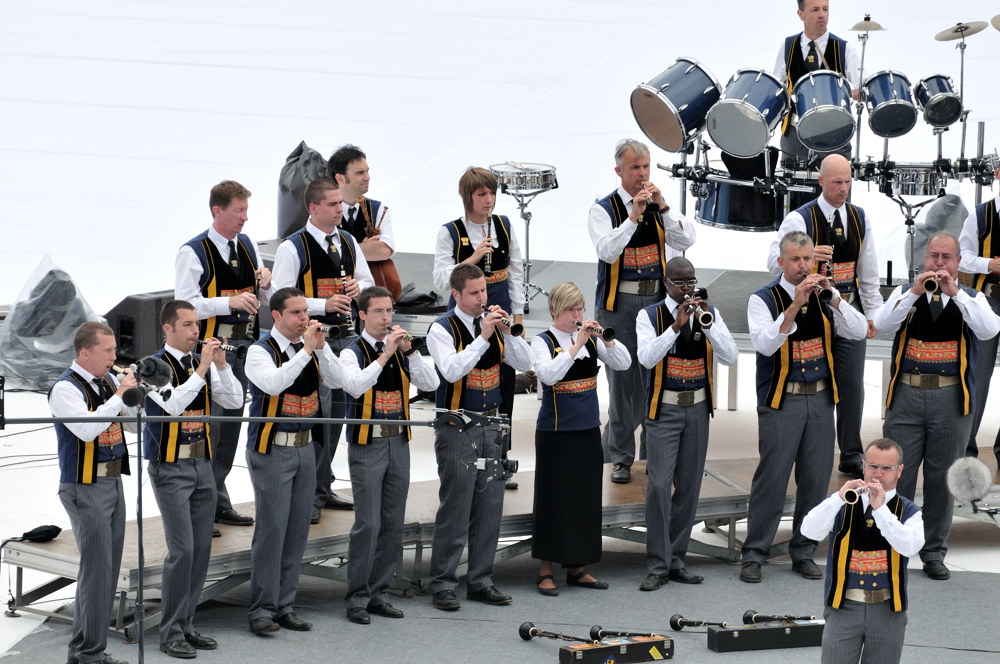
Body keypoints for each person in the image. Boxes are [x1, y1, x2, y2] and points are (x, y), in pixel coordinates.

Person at [741, 231, 868, 583]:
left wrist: (838, 300)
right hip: (783, 400)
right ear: (781, 262)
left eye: (807, 259)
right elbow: (764, 344)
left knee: (814, 479)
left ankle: (804, 550)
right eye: (795, 260)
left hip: (821, 399)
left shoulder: (827, 295)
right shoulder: (762, 299)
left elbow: (858, 332)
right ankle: (754, 553)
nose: (803, 266)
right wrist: (794, 304)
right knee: (773, 478)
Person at [874, 232, 1000, 580]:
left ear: (959, 263)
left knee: (943, 478)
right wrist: (915, 291)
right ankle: (893, 547)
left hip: (951, 398)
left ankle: (933, 551)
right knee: (896, 475)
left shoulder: (971, 298)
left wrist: (955, 293)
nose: (939, 263)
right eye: (933, 256)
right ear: (923, 258)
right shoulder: (905, 293)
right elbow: (882, 325)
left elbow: (989, 330)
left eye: (947, 257)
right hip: (907, 397)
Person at [425, 264, 533, 611]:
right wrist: (483, 336)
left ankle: (481, 579)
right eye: (474, 293)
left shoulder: (494, 326)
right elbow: (452, 370)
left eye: (484, 291)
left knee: (490, 506)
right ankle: (442, 581)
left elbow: (525, 362)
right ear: (456, 294)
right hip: (458, 426)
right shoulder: (441, 329)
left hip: (493, 423)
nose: (482, 298)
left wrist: (508, 333)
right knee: (456, 505)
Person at [588, 138, 696, 484]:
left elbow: (685, 241)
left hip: (655, 305)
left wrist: (663, 207)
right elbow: (607, 251)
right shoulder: (603, 209)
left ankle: (653, 454)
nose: (642, 174)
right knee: (622, 387)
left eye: (646, 166)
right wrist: (633, 215)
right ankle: (620, 458)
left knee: (655, 382)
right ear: (619, 171)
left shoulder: (657, 207)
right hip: (619, 306)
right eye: (635, 167)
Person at [767, 154, 882, 479]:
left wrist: (870, 312)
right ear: (821, 181)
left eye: (847, 181)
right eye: (837, 182)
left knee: (852, 386)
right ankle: (802, 451)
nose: (843, 188)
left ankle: (851, 454)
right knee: (810, 382)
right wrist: (805, 258)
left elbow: (868, 269)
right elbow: (771, 263)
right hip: (811, 313)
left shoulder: (860, 218)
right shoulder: (799, 219)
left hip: (845, 308)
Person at [243, 287, 347, 634]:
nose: (304, 318)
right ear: (276, 316)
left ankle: (285, 605)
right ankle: (261, 608)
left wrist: (323, 350)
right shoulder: (260, 351)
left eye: (305, 311)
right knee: (272, 529)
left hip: (306, 448)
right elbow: (274, 384)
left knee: (298, 529)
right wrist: (305, 350)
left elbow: (338, 381)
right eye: (296, 313)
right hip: (273, 449)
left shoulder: (312, 348)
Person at [142, 301, 243, 658]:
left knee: (201, 549)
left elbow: (232, 401)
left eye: (197, 325)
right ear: (167, 329)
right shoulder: (151, 366)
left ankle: (186, 624)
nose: (195, 331)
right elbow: (171, 405)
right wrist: (202, 368)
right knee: (182, 549)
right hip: (170, 466)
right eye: (187, 325)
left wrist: (221, 365)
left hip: (202, 463)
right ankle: (169, 631)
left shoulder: (199, 364)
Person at [272, 177, 376, 520]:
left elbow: (370, 282)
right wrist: (322, 304)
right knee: (318, 415)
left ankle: (323, 484)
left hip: (348, 339)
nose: (339, 209)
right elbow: (281, 297)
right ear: (313, 208)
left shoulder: (347, 240)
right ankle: (310, 494)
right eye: (332, 204)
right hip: (315, 343)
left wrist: (358, 287)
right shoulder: (293, 247)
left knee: (340, 416)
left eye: (339, 203)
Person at [636, 258, 738, 591]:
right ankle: (657, 563)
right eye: (680, 283)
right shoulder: (648, 316)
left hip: (696, 410)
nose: (687, 289)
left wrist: (707, 325)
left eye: (691, 282)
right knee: (659, 486)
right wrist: (675, 327)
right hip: (663, 411)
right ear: (665, 283)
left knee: (690, 487)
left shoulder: (710, 312)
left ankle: (677, 559)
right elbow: (647, 358)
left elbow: (731, 356)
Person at [175, 180, 272, 529]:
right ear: (217, 211)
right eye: (238, 211)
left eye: (246, 210)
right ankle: (203, 503)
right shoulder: (193, 251)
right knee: (209, 426)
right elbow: (184, 306)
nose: (245, 218)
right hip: (214, 350)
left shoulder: (246, 244)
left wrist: (265, 279)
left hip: (245, 345)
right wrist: (226, 302)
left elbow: (263, 290)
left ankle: (217, 498)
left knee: (230, 425)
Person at [340, 286, 439, 624]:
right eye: (379, 312)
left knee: (393, 521)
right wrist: (384, 355)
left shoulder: (401, 350)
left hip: (398, 441)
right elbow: (354, 386)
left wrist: (410, 352)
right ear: (362, 315)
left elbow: (431, 383)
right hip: (367, 443)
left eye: (389, 311)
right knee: (368, 522)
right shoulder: (352, 352)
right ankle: (357, 596)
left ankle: (379, 591)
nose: (386, 318)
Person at [530, 282, 631, 596]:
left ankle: (577, 567)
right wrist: (576, 344)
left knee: (585, 499)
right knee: (553, 498)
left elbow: (625, 363)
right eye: (571, 310)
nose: (577, 315)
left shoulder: (592, 340)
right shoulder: (542, 341)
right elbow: (548, 375)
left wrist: (606, 341)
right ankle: (546, 570)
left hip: (587, 430)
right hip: (556, 433)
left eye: (580, 309)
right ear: (555, 311)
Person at [432, 166, 526, 489]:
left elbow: (515, 273)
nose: (489, 200)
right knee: (467, 381)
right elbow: (440, 279)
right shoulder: (450, 232)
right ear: (467, 197)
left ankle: (500, 458)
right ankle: (461, 453)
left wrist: (518, 319)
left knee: (502, 384)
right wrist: (471, 258)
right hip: (464, 313)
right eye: (482, 194)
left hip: (498, 307)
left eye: (492, 193)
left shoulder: (504, 225)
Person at [49, 322, 137, 664]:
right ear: (85, 353)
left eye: (115, 350)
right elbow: (86, 430)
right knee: (96, 569)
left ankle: (92, 650)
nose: (114, 357)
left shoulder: (108, 381)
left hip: (112, 480)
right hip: (85, 485)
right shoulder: (65, 388)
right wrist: (117, 396)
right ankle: (86, 652)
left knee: (108, 569)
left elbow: (130, 424)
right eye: (108, 351)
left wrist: (133, 395)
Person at [801, 439, 924, 664]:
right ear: (863, 465)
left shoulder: (909, 510)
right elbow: (809, 531)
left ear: (899, 471)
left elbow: (910, 546)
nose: (878, 474)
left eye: (887, 468)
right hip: (843, 608)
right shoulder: (842, 502)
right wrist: (837, 498)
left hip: (888, 611)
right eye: (872, 466)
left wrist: (881, 510)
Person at [774, 0, 860, 165]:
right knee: (792, 189)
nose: (822, 14)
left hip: (834, 134)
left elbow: (864, 91)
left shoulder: (845, 49)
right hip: (794, 134)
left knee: (836, 188)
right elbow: (777, 87)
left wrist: (844, 92)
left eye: (825, 9)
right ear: (801, 14)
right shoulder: (787, 46)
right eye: (815, 9)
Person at [957, 167, 1000, 464]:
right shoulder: (980, 215)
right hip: (990, 301)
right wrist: (990, 265)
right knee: (977, 376)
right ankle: (966, 450)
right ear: (998, 174)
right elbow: (963, 258)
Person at [329, 144, 401, 301]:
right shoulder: (324, 209)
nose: (367, 177)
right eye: (360, 173)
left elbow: (384, 251)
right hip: (333, 298)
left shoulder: (378, 209)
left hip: (371, 299)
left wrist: (341, 251)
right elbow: (323, 256)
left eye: (367, 171)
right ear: (340, 178)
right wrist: (365, 248)